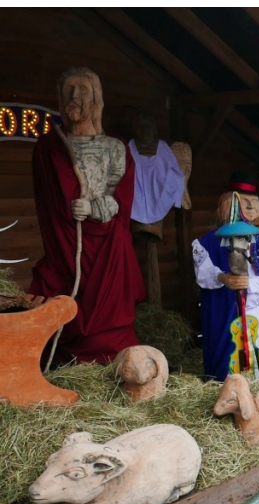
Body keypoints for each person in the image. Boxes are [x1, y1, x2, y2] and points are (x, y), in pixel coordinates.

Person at [30, 67, 145, 364]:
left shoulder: (115, 148)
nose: (74, 97)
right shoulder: (49, 148)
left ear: (97, 98)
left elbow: (121, 199)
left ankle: (111, 358)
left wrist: (94, 208)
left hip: (107, 246)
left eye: (82, 90)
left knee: (109, 311)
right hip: (67, 245)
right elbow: (47, 205)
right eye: (67, 90)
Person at [193, 173, 259, 381]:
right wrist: (223, 278)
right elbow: (203, 274)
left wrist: (249, 283)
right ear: (229, 204)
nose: (251, 208)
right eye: (245, 203)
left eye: (255, 203)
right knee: (228, 359)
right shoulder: (205, 243)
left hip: (254, 311)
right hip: (224, 313)